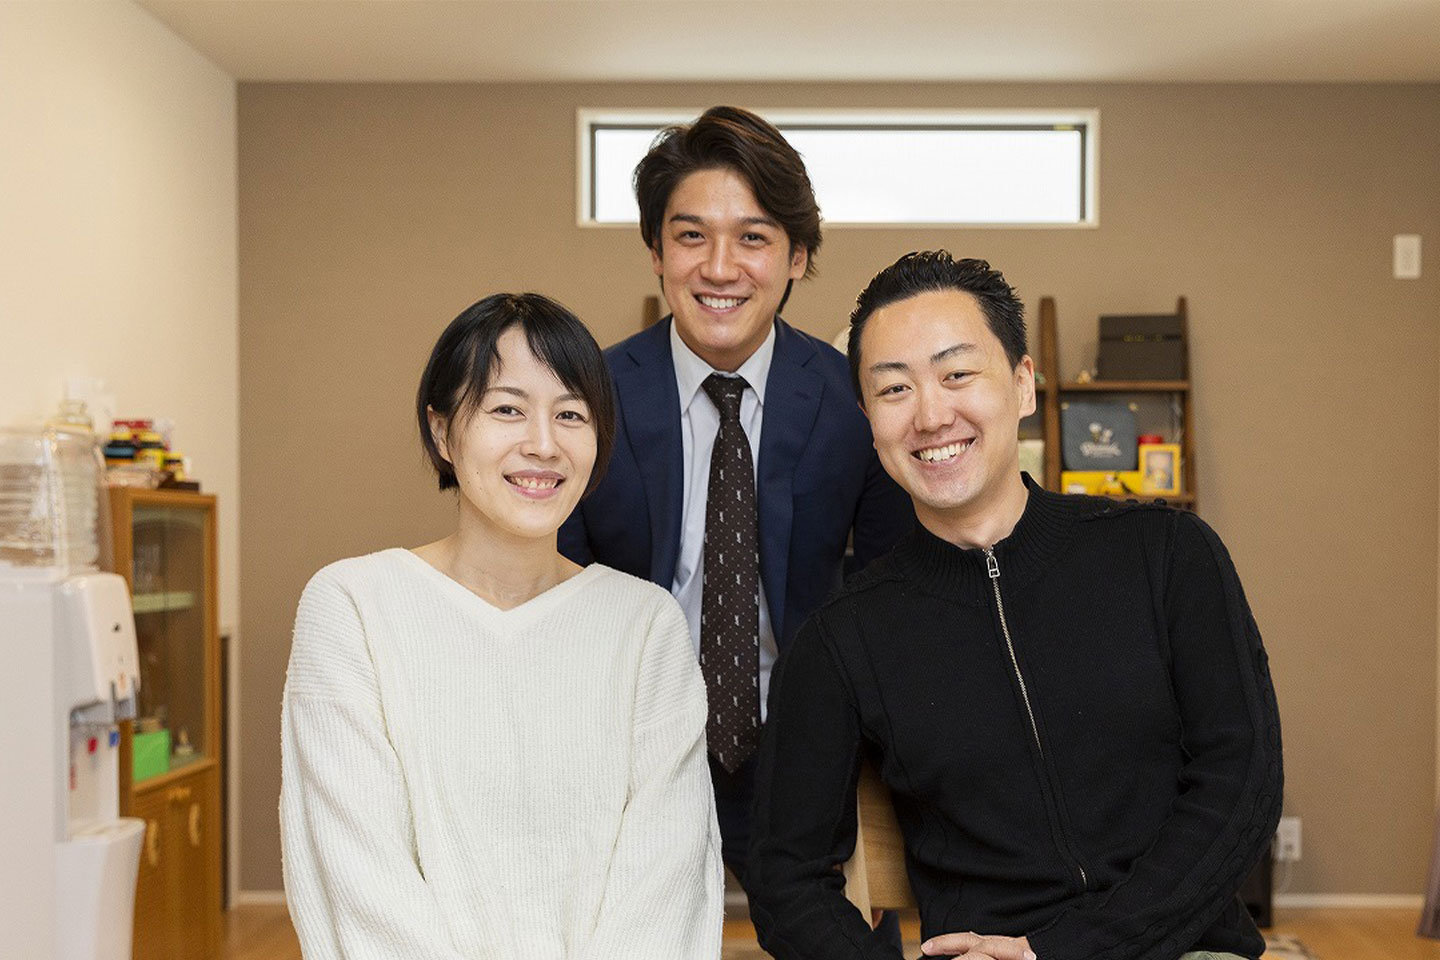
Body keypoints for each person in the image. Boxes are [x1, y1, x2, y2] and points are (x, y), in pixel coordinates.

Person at [748, 252, 1283, 960]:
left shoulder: (1167, 554)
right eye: (894, 388)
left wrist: (1064, 951)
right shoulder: (841, 639)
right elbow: (785, 878)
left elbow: (1242, 781)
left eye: (957, 374)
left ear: (1024, 384)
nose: (931, 415)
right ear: (868, 420)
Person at [281, 293, 723, 960]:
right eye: (507, 409)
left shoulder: (645, 625)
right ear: (442, 432)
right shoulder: (352, 606)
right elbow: (360, 880)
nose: (543, 444)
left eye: (570, 414)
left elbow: (666, 878)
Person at [558, 106, 913, 884]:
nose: (720, 269)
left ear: (797, 256)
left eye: (753, 238)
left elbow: (892, 586)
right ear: (656, 252)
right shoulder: (587, 396)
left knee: (836, 932)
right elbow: (558, 586)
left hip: (803, 740)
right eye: (692, 236)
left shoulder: (855, 399)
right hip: (625, 742)